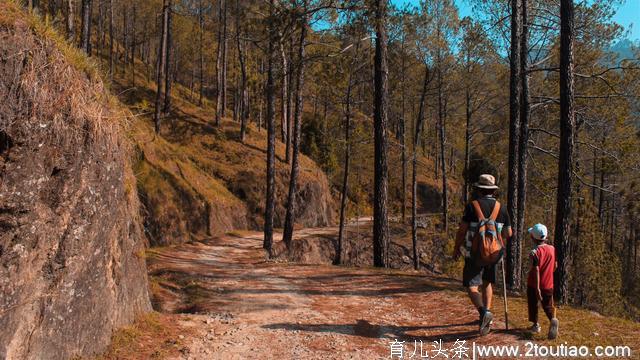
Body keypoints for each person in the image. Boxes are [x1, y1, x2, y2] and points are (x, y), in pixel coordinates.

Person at [453, 174, 512, 336]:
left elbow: (462, 231)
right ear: (493, 191)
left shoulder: (472, 207)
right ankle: (488, 317)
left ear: (479, 189)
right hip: (494, 254)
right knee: (487, 284)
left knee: (472, 286)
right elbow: (509, 233)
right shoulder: (502, 208)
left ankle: (483, 312)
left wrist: (457, 248)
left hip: (474, 253)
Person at [526, 223, 559, 339]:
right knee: (548, 305)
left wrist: (537, 288)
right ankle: (553, 319)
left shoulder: (534, 253)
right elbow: (555, 266)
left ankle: (535, 325)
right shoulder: (552, 249)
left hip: (534, 284)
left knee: (533, 304)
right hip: (549, 284)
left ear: (532, 237)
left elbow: (535, 270)